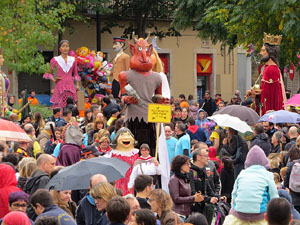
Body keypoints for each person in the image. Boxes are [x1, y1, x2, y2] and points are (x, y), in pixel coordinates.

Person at [223, 145, 278, 225]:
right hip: (260, 215)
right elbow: (274, 198)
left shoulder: (242, 174)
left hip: (239, 213)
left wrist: (233, 210)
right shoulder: (268, 175)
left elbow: (234, 195)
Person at [43, 40, 81, 109]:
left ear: (69, 48)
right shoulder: (55, 59)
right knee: (59, 106)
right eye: (63, 46)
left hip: (70, 85)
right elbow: (48, 72)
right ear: (60, 49)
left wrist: (77, 85)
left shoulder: (73, 60)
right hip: (60, 85)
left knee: (70, 105)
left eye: (67, 46)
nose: (65, 48)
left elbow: (76, 74)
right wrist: (54, 80)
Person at [168, 155, 204, 219]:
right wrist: (193, 198)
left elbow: (187, 196)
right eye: (187, 164)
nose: (189, 166)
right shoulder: (174, 179)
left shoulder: (185, 178)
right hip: (178, 214)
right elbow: (176, 199)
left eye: (189, 164)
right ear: (180, 165)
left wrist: (196, 197)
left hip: (186, 213)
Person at [189, 149, 219, 224]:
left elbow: (209, 190)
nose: (208, 158)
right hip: (194, 212)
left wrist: (218, 197)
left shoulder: (203, 171)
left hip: (203, 210)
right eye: (206, 156)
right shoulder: (190, 172)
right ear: (198, 157)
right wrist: (209, 199)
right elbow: (193, 192)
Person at [259, 33, 285, 115]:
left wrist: (256, 92)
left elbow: (268, 94)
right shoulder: (268, 68)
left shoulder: (271, 70)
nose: (261, 53)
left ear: (270, 53)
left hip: (269, 111)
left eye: (263, 50)